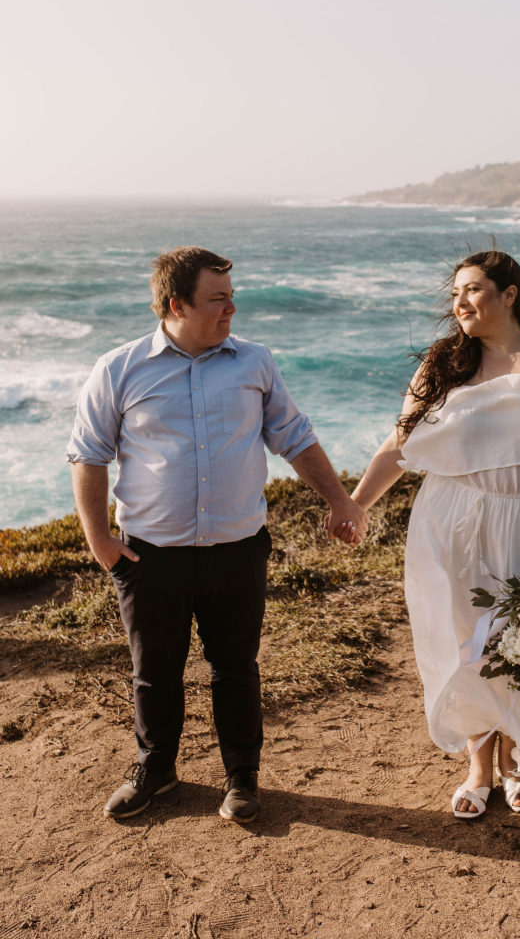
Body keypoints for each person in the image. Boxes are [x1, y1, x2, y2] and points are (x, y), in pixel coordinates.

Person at [67, 246, 368, 824]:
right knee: (154, 671)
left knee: (236, 666)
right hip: (151, 555)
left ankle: (242, 778)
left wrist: (339, 499)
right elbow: (89, 455)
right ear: (176, 304)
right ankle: (155, 769)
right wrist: (99, 541)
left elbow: (293, 435)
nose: (233, 308)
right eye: (218, 299)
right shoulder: (118, 368)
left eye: (232, 296)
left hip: (237, 549)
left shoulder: (254, 361)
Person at [344, 249, 520, 818]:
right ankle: (480, 765)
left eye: (472, 289)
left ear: (509, 293)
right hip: (454, 517)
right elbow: (401, 445)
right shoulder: (444, 363)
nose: (460, 302)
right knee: (467, 639)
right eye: (456, 293)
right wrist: (357, 504)